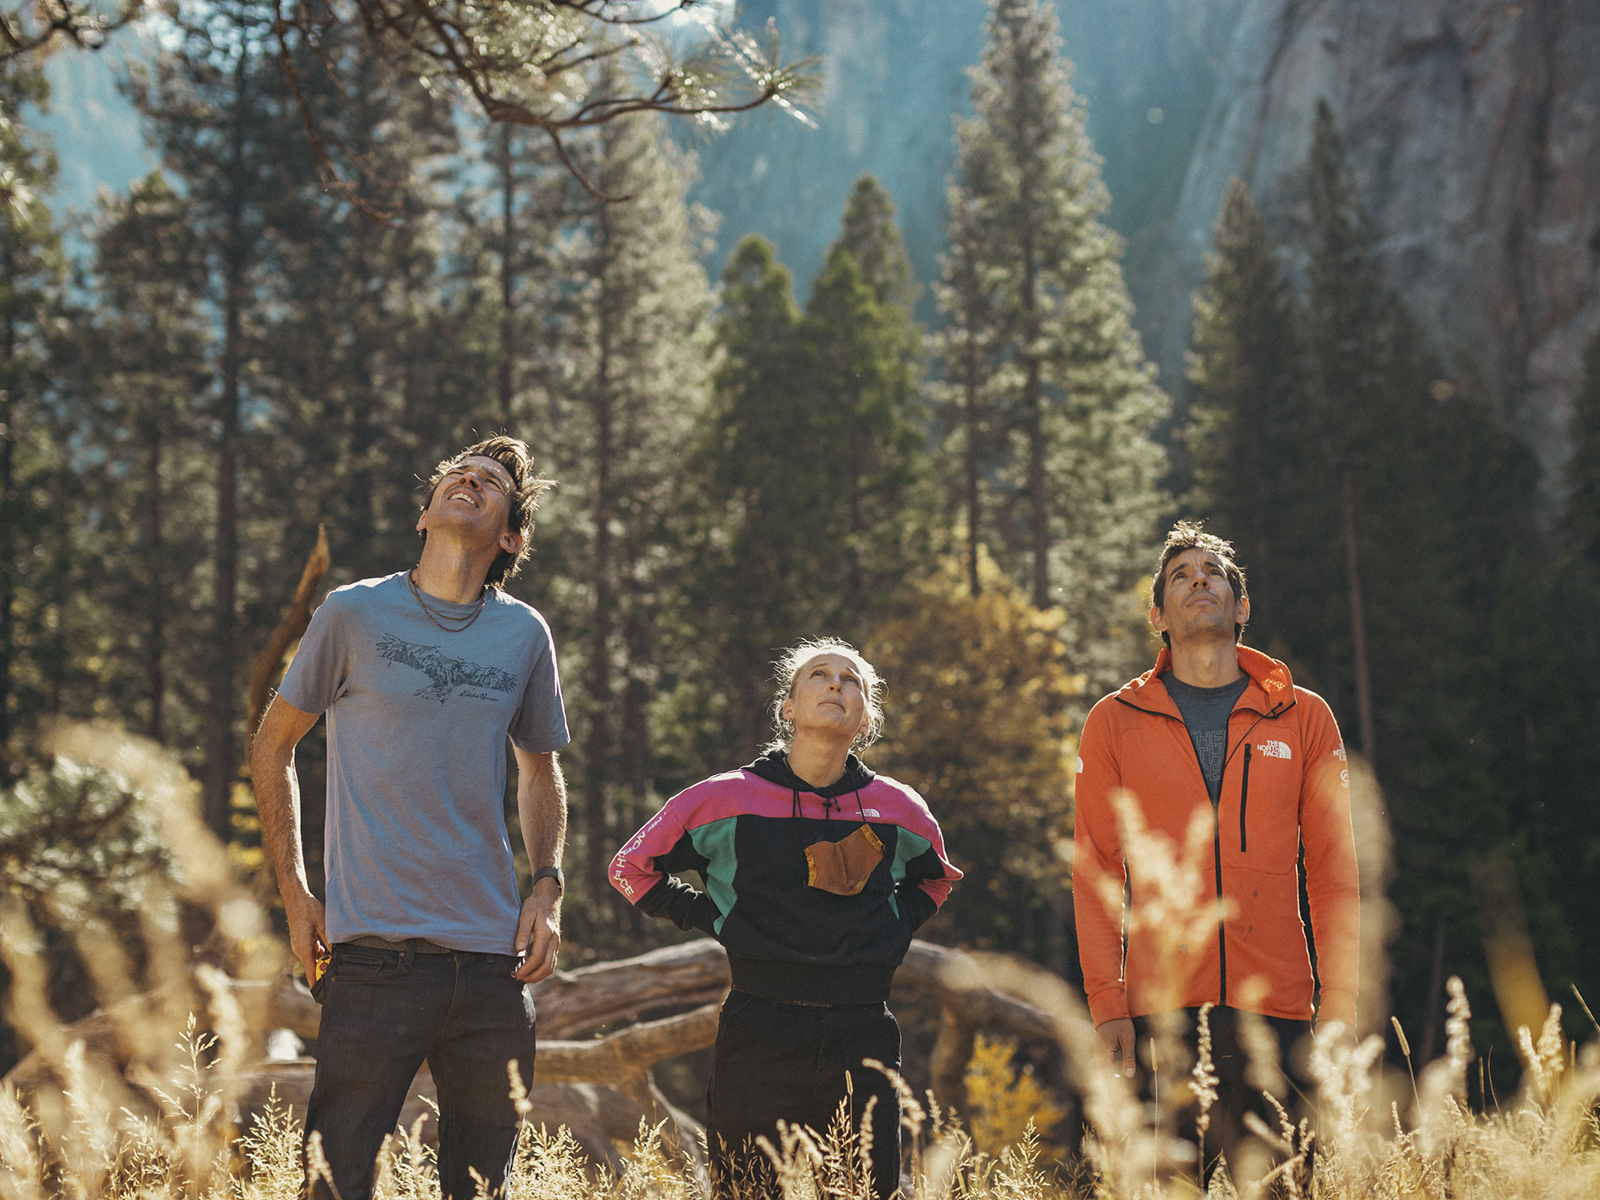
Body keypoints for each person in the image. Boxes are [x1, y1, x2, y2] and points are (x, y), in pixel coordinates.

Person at [252, 436, 570, 1200]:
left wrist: (548, 889)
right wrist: (296, 895)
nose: (469, 479)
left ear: (510, 537)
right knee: (335, 1185)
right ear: (425, 516)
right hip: (373, 959)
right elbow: (272, 748)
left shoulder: (524, 634)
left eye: (491, 482)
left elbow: (539, 770)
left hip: (494, 966)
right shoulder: (353, 613)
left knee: (479, 1189)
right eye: (457, 474)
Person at [609, 640, 960, 1199]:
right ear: (788, 709)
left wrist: (891, 929)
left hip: (863, 1029)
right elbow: (630, 867)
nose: (836, 685)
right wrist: (714, 920)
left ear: (866, 717)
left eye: (852, 681)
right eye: (819, 676)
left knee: (867, 1192)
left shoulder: (899, 807)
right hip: (759, 1029)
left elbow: (937, 879)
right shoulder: (724, 798)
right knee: (747, 1191)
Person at [1072, 522, 1359, 1175]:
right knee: (1166, 1185)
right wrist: (1107, 1003)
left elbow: (1334, 871)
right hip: (1160, 1010)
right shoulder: (1113, 720)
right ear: (1158, 617)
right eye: (1182, 575)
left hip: (1281, 1009)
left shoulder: (1302, 715)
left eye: (1213, 573)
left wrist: (1340, 999)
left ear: (1241, 607)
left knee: (1292, 1185)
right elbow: (1095, 869)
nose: (1199, 580)